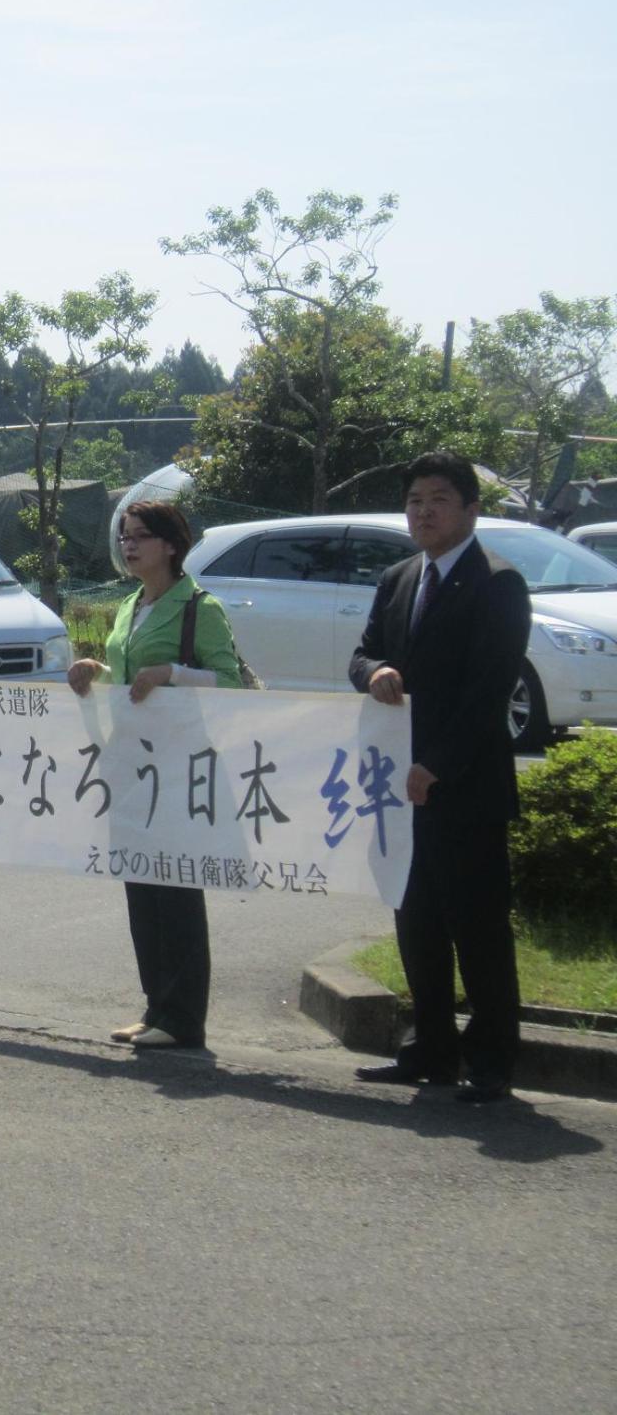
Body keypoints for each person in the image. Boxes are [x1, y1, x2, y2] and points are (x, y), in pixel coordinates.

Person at [349, 451, 533, 1104]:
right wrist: (375, 672)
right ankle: (429, 1049)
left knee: (476, 928)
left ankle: (490, 1060)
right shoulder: (400, 577)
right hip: (399, 786)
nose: (423, 512)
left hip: (466, 788)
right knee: (417, 922)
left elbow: (488, 693)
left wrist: (438, 766)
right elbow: (362, 652)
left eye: (439, 500)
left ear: (470, 509)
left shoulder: (498, 583)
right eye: (415, 501)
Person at [67, 501, 249, 1049]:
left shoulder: (200, 607)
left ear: (171, 545)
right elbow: (127, 678)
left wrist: (173, 673)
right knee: (143, 888)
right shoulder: (129, 606)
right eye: (124, 536)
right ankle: (156, 1008)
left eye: (141, 536)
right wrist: (96, 671)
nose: (129, 545)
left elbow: (232, 685)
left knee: (177, 892)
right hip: (131, 767)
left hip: (179, 766)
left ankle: (184, 1017)